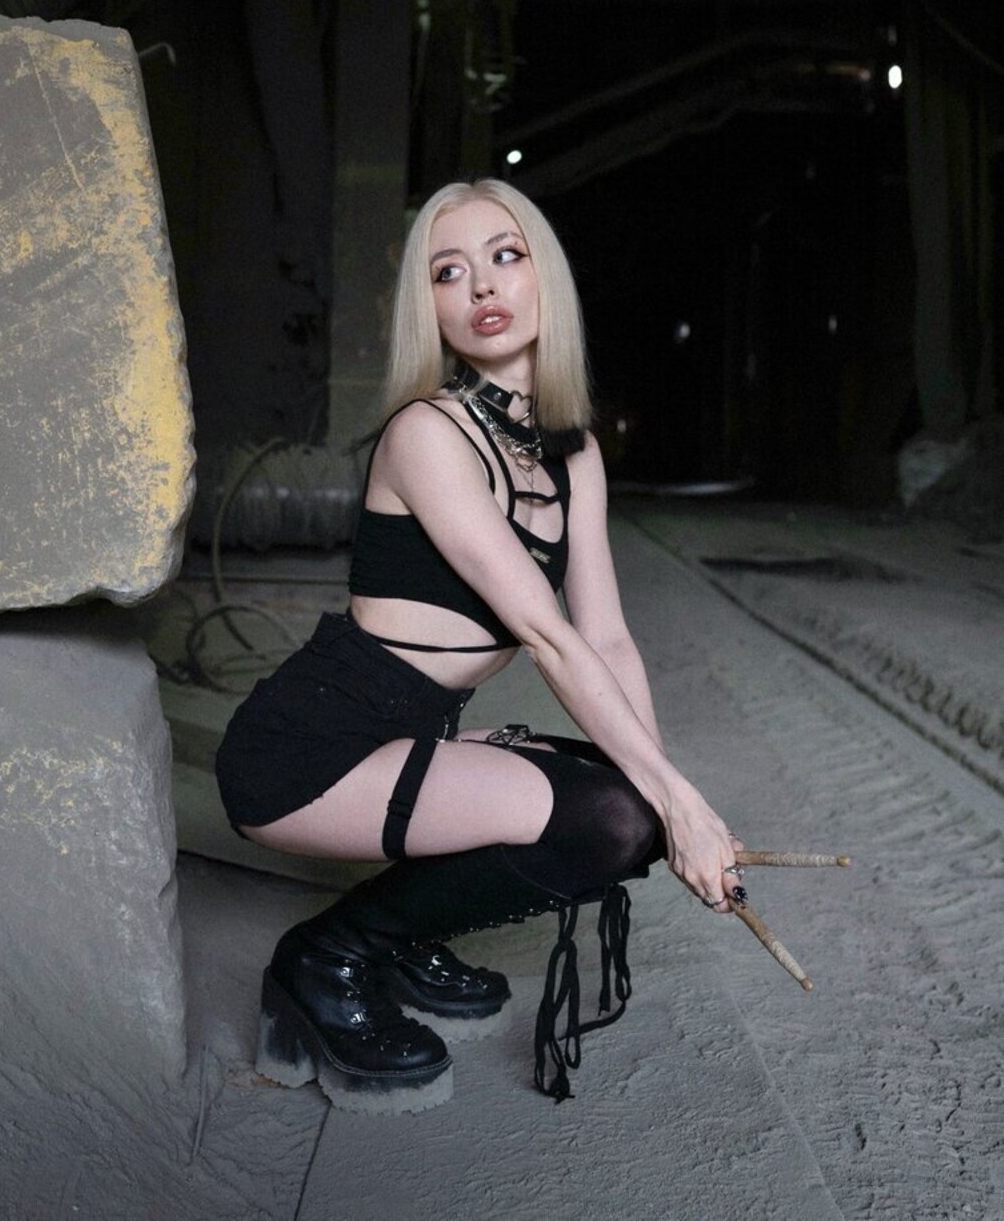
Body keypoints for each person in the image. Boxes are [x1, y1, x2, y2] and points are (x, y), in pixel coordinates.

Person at [215, 178, 742, 1114]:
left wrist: (677, 801)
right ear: (430, 306)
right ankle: (331, 955)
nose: (482, 287)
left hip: (406, 739)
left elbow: (607, 636)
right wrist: (673, 804)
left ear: (545, 277)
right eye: (448, 272)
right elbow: (546, 632)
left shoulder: (573, 452)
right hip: (307, 753)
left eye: (505, 256)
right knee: (613, 818)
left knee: (632, 799)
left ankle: (407, 931)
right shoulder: (427, 434)